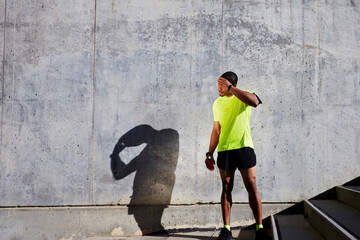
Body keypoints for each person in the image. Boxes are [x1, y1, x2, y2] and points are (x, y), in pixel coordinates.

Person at [205, 72, 270, 240]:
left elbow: (255, 102)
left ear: (229, 84)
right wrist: (209, 152)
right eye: (217, 84)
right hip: (225, 150)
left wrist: (231, 89)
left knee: (251, 186)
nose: (218, 88)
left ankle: (259, 228)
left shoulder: (242, 96)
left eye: (221, 84)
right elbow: (216, 130)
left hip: (244, 148)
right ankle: (226, 229)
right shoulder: (217, 103)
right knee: (226, 188)